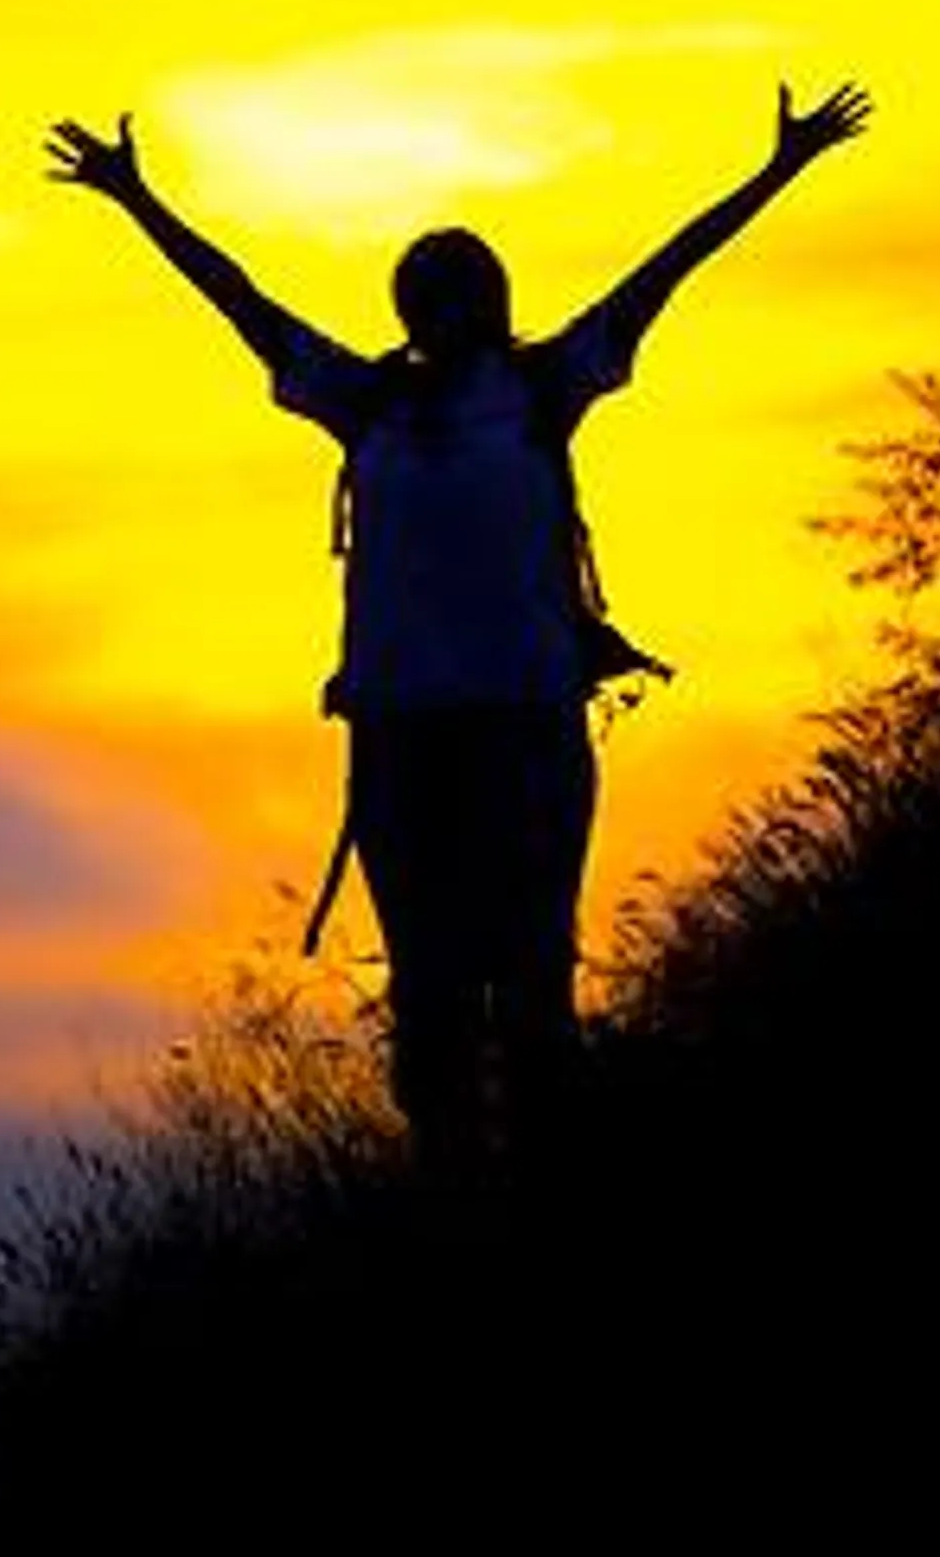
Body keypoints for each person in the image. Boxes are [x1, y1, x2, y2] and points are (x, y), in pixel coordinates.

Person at [45, 74, 872, 1165]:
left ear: (491, 299)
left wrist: (781, 168)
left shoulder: (547, 386)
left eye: (460, 290)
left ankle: (548, 1182)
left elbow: (668, 270)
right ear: (406, 309)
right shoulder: (365, 403)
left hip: (527, 728)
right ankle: (447, 1195)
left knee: (533, 980)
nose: (444, 309)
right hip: (403, 739)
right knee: (430, 998)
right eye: (427, 293)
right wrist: (136, 200)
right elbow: (241, 304)